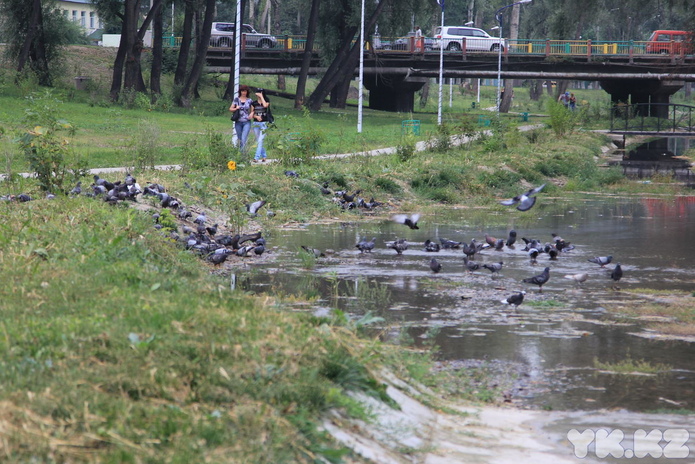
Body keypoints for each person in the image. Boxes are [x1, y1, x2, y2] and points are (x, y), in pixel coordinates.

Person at [229, 84, 254, 153]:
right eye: (242, 91)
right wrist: (236, 108)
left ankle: (243, 155)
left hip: (246, 121)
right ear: (240, 92)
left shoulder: (249, 100)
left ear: (247, 92)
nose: (244, 93)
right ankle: (240, 153)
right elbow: (230, 109)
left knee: (243, 138)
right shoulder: (236, 100)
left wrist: (251, 113)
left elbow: (253, 110)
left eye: (245, 91)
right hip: (238, 121)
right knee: (239, 139)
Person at [251, 88, 270, 163]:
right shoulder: (254, 103)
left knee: (260, 140)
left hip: (264, 123)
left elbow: (265, 106)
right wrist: (256, 117)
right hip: (256, 123)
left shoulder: (266, 100)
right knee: (259, 140)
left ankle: (256, 157)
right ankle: (264, 156)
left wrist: (262, 97)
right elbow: (252, 114)